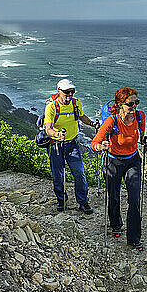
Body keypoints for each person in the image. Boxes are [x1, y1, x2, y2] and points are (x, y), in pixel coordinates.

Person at [91, 87, 146, 251]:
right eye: (130, 103)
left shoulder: (139, 116)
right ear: (120, 104)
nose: (134, 106)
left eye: (136, 102)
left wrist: (143, 141)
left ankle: (134, 239)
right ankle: (116, 225)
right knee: (114, 196)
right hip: (114, 162)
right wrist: (102, 146)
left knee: (135, 199)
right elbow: (94, 143)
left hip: (133, 160)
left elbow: (140, 134)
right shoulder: (112, 121)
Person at [45, 79, 100, 213]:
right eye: (66, 92)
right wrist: (57, 134)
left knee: (79, 174)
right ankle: (61, 200)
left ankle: (83, 202)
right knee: (58, 175)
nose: (70, 95)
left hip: (72, 144)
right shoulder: (52, 107)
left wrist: (92, 124)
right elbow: (48, 129)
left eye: (72, 92)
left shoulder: (76, 103)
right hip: (56, 145)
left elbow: (82, 116)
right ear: (59, 92)